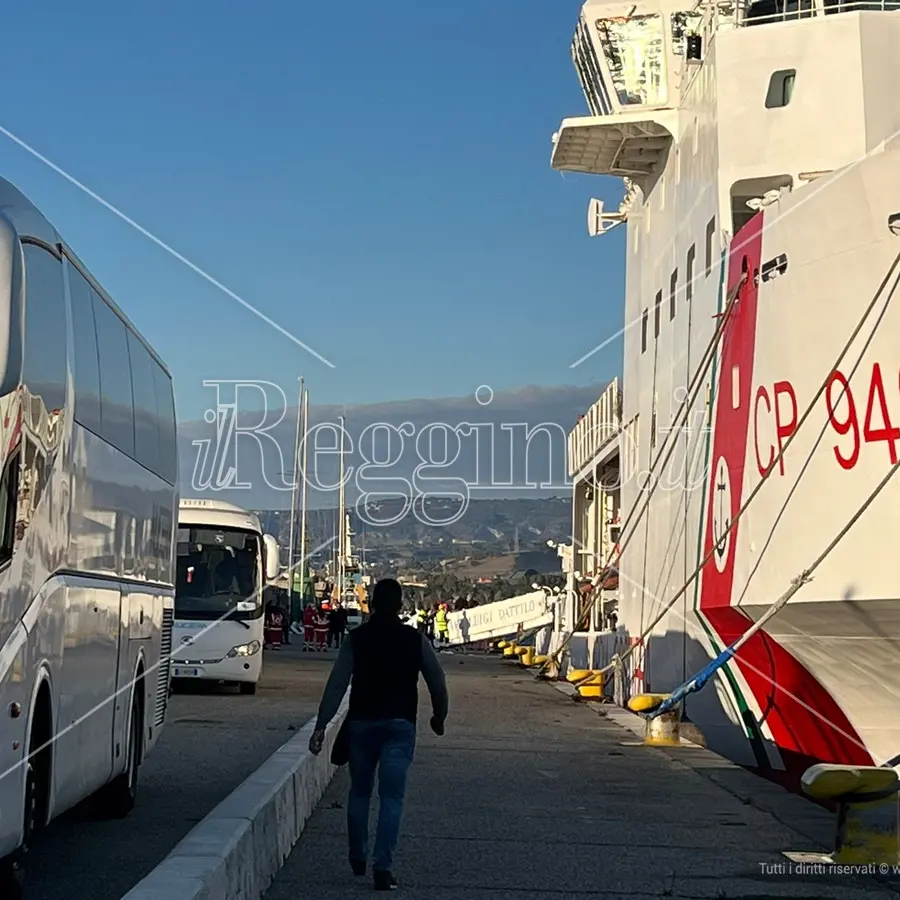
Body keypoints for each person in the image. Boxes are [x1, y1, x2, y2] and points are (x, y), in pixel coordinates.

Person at [308, 578, 448, 892]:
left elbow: (336, 684)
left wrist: (322, 725)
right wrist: (439, 717)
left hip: (361, 725)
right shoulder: (415, 640)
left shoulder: (357, 639)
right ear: (400, 606)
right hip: (400, 726)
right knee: (392, 798)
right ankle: (383, 868)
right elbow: (437, 682)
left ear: (371, 604)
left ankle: (358, 855)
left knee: (359, 792)